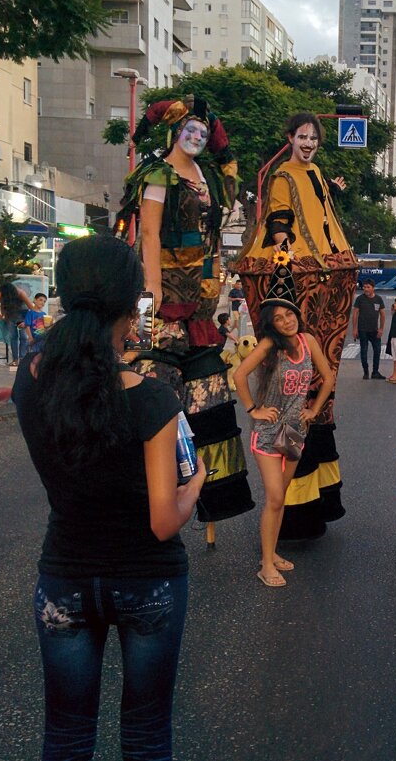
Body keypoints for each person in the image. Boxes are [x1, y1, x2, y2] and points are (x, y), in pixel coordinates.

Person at [12, 234, 207, 760]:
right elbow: (165, 521)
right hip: (149, 581)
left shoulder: (29, 382)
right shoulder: (152, 398)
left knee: (67, 735)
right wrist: (197, 483)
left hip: (64, 578)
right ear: (127, 305)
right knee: (146, 735)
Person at [120, 95, 253, 528]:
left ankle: (214, 505)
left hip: (200, 300)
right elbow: (150, 235)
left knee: (211, 403)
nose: (195, 138)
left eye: (201, 132)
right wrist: (151, 290)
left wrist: (218, 280)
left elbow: (214, 239)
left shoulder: (206, 177)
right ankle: (142, 505)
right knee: (147, 394)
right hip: (155, 300)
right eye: (188, 131)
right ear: (174, 133)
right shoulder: (158, 173)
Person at [235, 112, 359, 539]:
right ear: (289, 138)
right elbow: (280, 216)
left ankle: (313, 501)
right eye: (302, 136)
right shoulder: (282, 175)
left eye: (313, 138)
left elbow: (323, 215)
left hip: (326, 268)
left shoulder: (317, 172)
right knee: (296, 389)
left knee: (318, 392)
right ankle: (285, 512)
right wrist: (282, 243)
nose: (308, 143)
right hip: (298, 269)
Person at [232, 270, 335, 588]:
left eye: (289, 313)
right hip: (266, 431)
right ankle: (266, 564)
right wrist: (254, 410)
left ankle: (272, 552)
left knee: (280, 498)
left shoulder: (309, 341)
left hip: (292, 431)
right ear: (271, 324)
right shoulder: (268, 346)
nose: (287, 320)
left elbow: (328, 377)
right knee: (275, 496)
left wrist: (313, 411)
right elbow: (239, 376)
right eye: (279, 318)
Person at [0, 282, 35, 365]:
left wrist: (26, 321)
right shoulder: (6, 292)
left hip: (21, 314)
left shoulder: (20, 293)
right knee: (15, 337)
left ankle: (21, 358)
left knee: (22, 337)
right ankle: (16, 359)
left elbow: (31, 308)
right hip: (11, 315)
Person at [353, 279, 386, 379]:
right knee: (364, 350)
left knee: (377, 350)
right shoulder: (359, 299)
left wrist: (381, 329)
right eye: (364, 287)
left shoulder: (379, 299)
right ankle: (366, 372)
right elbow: (355, 314)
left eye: (368, 287)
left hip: (374, 330)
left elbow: (383, 314)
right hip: (362, 330)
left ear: (373, 288)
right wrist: (354, 329)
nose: (365, 289)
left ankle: (375, 372)